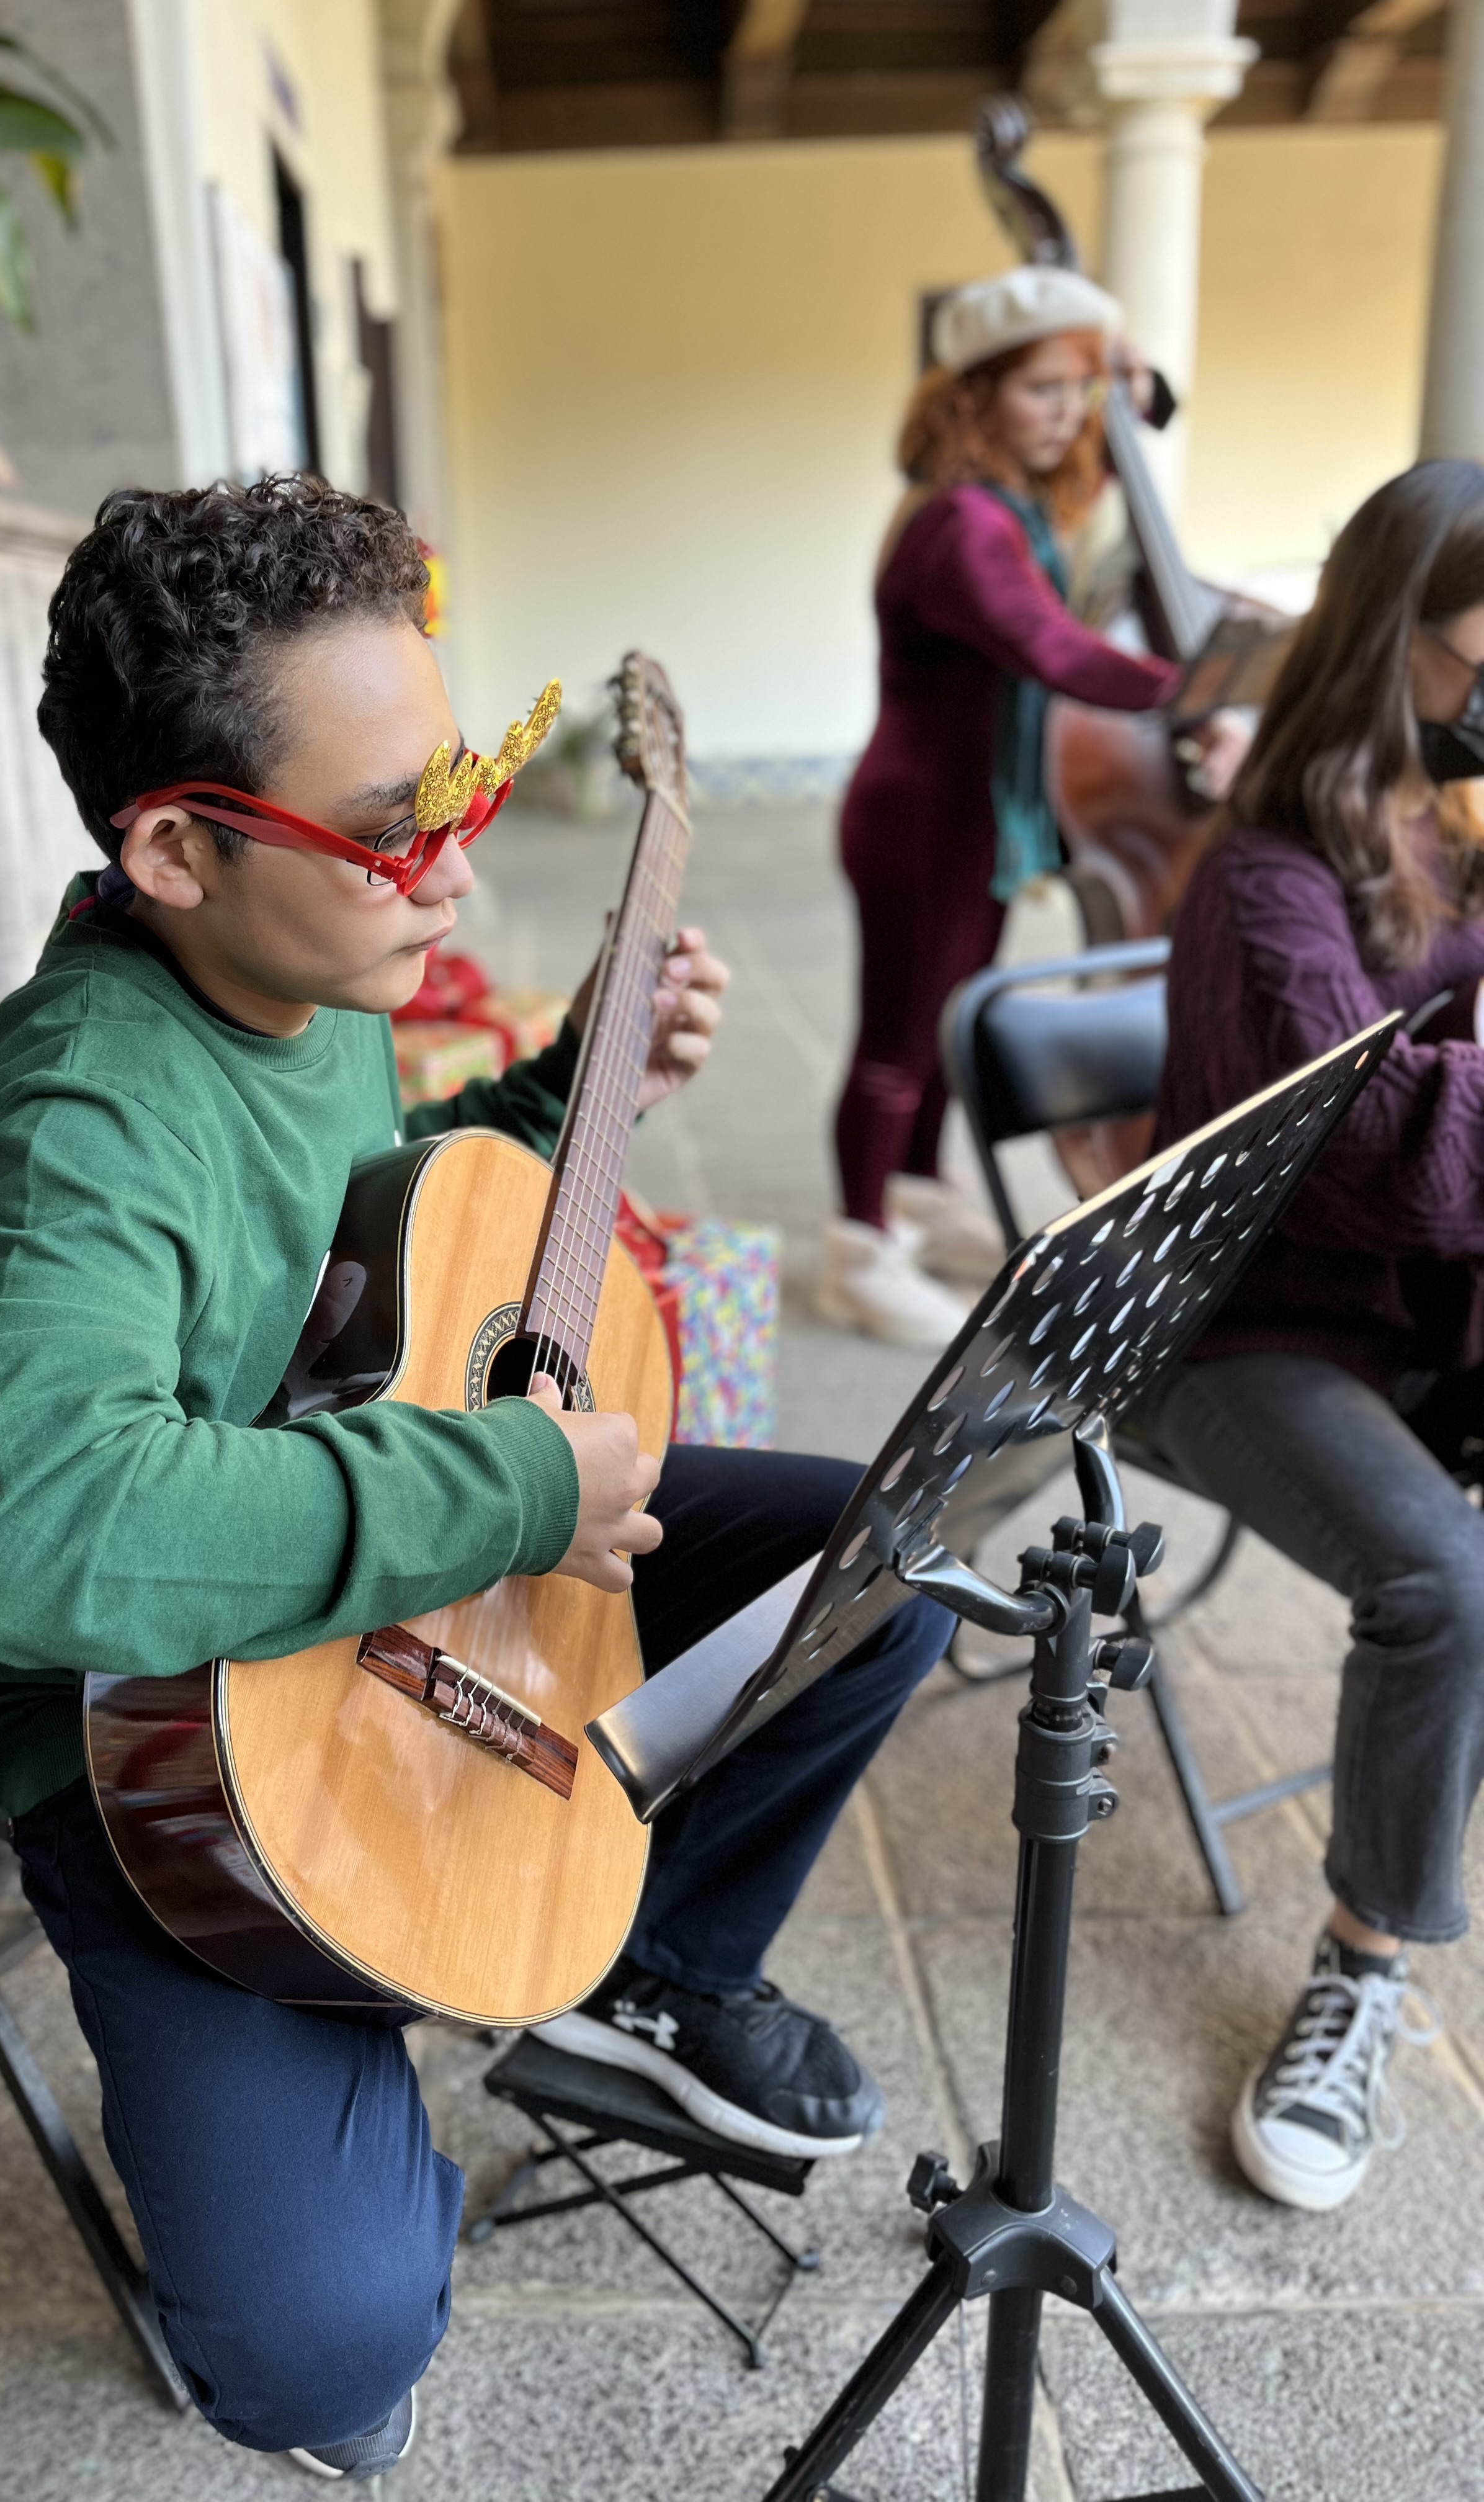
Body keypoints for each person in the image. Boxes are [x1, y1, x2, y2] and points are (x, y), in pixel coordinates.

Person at [0, 477, 955, 2478]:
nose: (457, 872)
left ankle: (631, 1983)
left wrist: (567, 1094)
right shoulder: (90, 1102)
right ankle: (377, 1988)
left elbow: (369, 1239)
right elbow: (33, 1531)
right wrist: (498, 1496)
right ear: (175, 848)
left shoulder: (301, 974)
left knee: (872, 1544)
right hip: (155, 1736)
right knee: (330, 2358)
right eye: (399, 830)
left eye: (465, 789)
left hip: (352, 1572)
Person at [1135, 458, 1484, 2215]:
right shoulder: (1266, 877)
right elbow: (1379, 1158)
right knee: (1447, 1580)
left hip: (1426, 1321)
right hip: (1243, 1333)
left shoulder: (1463, 812)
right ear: (1407, 638)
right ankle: (1364, 1964)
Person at [826, 266, 1199, 1347]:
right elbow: (1051, 646)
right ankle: (858, 1245)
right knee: (897, 1036)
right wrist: (1203, 690)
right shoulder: (961, 526)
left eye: (1075, 393)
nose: (1066, 414)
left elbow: (1123, 427)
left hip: (969, 818)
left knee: (949, 1021)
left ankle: (915, 1196)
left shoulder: (1016, 510)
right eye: (1041, 389)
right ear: (974, 396)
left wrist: (1123, 386)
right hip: (919, 821)